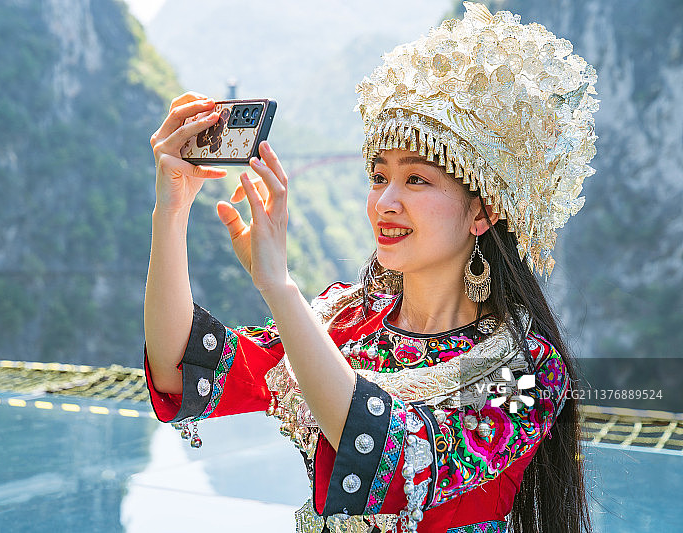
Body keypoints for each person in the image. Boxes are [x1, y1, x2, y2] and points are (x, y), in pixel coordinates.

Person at [143, 3, 597, 532]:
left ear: (482, 210)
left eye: (417, 180)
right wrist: (171, 211)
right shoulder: (344, 319)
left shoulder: (528, 370)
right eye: (378, 176)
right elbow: (183, 367)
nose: (384, 201)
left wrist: (279, 287)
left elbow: (396, 459)